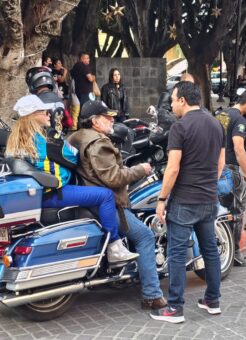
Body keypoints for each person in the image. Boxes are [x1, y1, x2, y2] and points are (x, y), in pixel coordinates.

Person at [5, 94, 138, 263]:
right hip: (54, 192)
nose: (49, 114)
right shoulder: (45, 141)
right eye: (44, 111)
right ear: (32, 116)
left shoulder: (15, 140)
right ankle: (114, 247)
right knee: (105, 195)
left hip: (36, 193)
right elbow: (72, 157)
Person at [68, 100, 167, 310]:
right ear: (95, 121)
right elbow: (113, 178)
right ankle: (151, 294)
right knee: (145, 236)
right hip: (107, 204)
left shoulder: (76, 136)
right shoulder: (99, 143)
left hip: (87, 196)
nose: (112, 119)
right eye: (107, 117)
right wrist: (141, 169)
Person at [150, 81, 225, 323]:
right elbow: (220, 163)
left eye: (173, 100)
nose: (171, 104)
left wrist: (162, 199)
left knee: (177, 253)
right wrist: (207, 183)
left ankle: (174, 308)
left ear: (183, 100)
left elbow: (172, 169)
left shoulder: (179, 128)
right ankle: (213, 300)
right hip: (208, 198)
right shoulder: (216, 124)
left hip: (184, 200)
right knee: (210, 250)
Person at [215, 88, 246, 266]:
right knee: (237, 211)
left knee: (221, 210)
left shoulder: (222, 114)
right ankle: (235, 254)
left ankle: (225, 251)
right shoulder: (239, 119)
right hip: (231, 170)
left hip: (217, 168)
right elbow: (238, 148)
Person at [25, 67, 72, 133]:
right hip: (58, 139)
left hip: (39, 140)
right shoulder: (59, 100)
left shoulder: (33, 102)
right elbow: (69, 123)